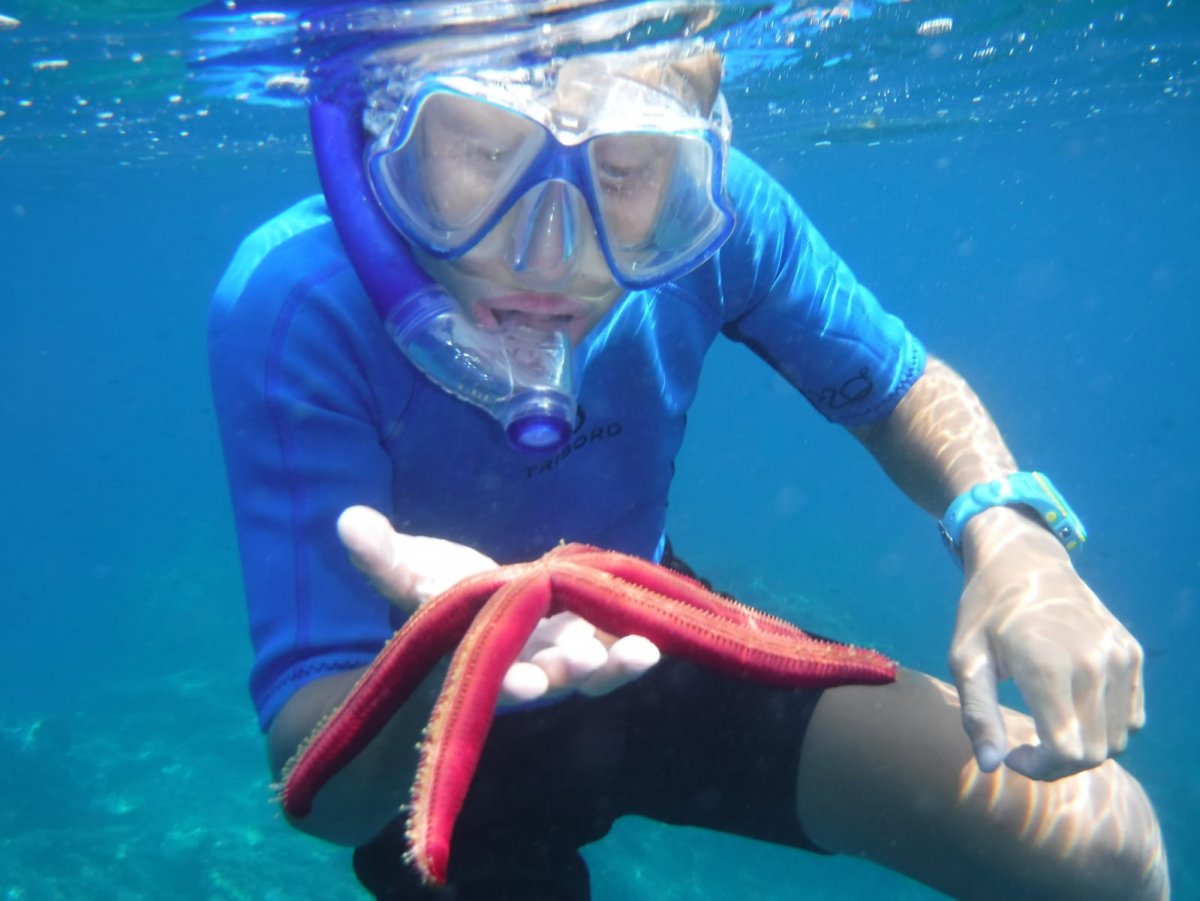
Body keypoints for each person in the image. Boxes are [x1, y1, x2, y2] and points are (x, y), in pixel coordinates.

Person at [207, 25, 1169, 901]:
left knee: (1107, 851)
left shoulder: (716, 217)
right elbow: (323, 793)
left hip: (649, 638)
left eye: (624, 171)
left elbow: (895, 386)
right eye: (486, 155)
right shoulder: (299, 302)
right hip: (420, 727)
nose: (546, 254)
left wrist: (1012, 535)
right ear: (384, 137)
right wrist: (450, 660)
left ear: (688, 165)